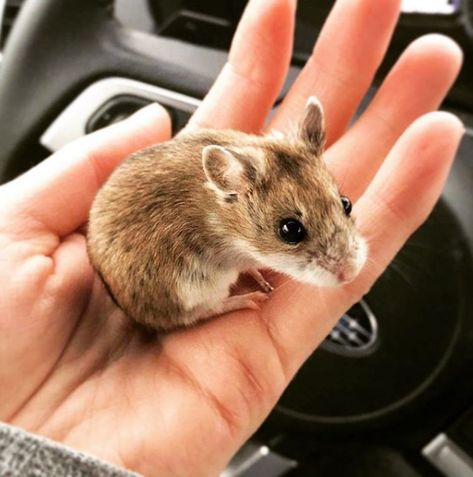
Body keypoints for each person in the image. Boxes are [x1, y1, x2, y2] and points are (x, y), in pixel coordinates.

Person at [0, 0, 465, 475]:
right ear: (230, 186)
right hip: (160, 290)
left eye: (343, 208)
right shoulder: (233, 192)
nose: (345, 263)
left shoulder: (281, 164)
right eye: (292, 232)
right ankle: (201, 308)